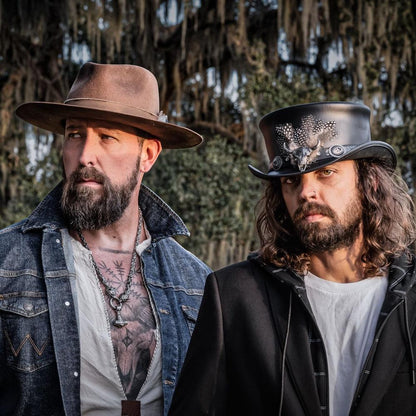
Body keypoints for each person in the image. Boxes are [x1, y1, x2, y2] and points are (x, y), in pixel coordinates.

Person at [168, 102, 416, 416]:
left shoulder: (412, 294)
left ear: (370, 182)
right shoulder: (235, 295)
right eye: (291, 180)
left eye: (326, 172)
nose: (305, 192)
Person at [0, 62, 211, 416]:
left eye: (107, 137)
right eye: (74, 134)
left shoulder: (196, 282)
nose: (84, 156)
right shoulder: (7, 261)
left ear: (148, 155)